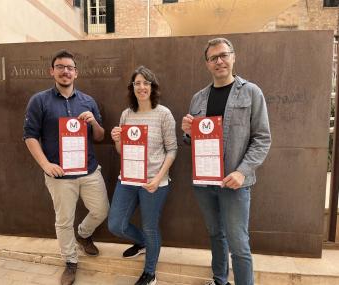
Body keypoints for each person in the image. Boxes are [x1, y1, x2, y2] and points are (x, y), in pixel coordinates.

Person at [181, 38, 271, 285]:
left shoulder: (252, 92)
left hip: (235, 183)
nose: (219, 61)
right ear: (207, 64)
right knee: (215, 234)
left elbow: (262, 139)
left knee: (239, 244)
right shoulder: (198, 98)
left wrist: (242, 172)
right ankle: (220, 280)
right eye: (213, 58)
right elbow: (191, 142)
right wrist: (187, 132)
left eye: (223, 55)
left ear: (233, 57)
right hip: (204, 183)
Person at [23, 50, 109, 285]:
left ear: (76, 73)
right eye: (60, 67)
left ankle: (83, 234)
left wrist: (93, 122)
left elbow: (100, 137)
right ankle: (70, 262)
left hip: (89, 170)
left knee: (101, 209)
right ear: (52, 71)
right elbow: (30, 136)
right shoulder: (39, 101)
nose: (65, 71)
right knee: (63, 220)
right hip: (60, 175)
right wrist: (46, 165)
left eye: (69, 67)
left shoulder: (88, 101)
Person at [108, 66, 177, 285]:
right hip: (128, 179)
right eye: (137, 83)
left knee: (150, 226)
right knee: (116, 225)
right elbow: (122, 151)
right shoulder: (126, 114)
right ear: (132, 88)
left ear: (152, 87)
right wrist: (117, 139)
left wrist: (157, 179)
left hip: (154, 182)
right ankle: (142, 242)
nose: (141, 87)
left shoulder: (164, 114)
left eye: (146, 83)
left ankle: (150, 273)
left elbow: (172, 150)